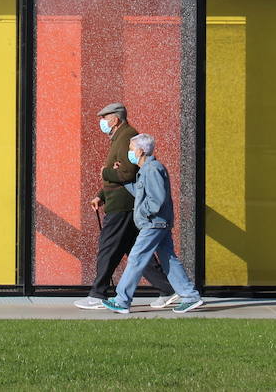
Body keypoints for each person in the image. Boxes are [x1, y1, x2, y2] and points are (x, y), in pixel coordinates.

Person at [73, 103, 179, 310]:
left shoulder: (127, 137)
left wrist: (105, 172)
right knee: (135, 251)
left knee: (108, 248)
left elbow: (127, 174)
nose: (101, 122)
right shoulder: (119, 137)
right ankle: (167, 288)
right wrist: (101, 195)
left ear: (116, 119)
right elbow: (120, 176)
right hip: (122, 203)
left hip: (122, 205)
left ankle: (98, 294)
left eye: (105, 117)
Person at [103, 132, 203, 314]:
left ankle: (122, 300)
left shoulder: (153, 169)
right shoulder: (146, 171)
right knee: (168, 260)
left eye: (131, 149)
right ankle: (190, 296)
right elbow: (141, 193)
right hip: (158, 223)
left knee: (136, 258)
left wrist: (143, 213)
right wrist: (123, 180)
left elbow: (157, 199)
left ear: (140, 151)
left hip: (153, 223)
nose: (129, 152)